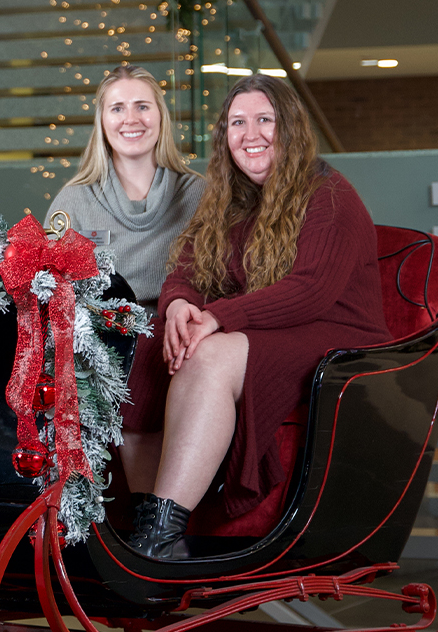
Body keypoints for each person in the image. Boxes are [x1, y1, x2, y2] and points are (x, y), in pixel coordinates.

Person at [120, 74, 390, 559]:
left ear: (290, 128)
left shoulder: (329, 195)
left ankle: (160, 538)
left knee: (209, 356)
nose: (251, 135)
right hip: (268, 326)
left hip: (336, 333)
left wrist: (219, 317)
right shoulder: (227, 198)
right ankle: (149, 522)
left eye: (265, 120)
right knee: (144, 351)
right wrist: (179, 304)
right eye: (238, 122)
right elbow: (186, 270)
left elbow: (310, 292)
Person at [47, 65, 203, 315]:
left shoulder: (199, 195)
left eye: (142, 106)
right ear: (102, 121)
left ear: (160, 115)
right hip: (102, 344)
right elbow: (52, 298)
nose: (131, 119)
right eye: (117, 108)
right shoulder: (73, 202)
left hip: (180, 339)